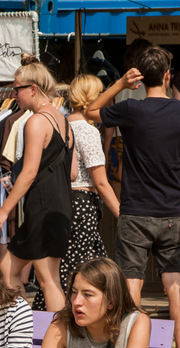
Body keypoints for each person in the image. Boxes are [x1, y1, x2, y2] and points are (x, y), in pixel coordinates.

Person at [86, 45, 180, 348]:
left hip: (134, 211)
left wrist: (120, 85)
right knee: (175, 282)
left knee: (131, 284)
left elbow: (91, 110)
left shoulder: (131, 110)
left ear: (140, 77)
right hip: (172, 212)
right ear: (168, 76)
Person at [0, 55, 76, 312]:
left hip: (44, 208)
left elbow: (28, 172)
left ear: (33, 90)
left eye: (16, 89)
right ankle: (23, 327)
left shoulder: (36, 122)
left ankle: (56, 340)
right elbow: (71, 173)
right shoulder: (63, 122)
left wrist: (4, 211)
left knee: (48, 280)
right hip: (58, 206)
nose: (13, 95)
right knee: (8, 269)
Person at [62, 74, 117, 288]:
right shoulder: (88, 131)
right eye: (101, 93)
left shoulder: (62, 126)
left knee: (68, 269)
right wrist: (121, 214)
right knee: (80, 274)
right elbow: (100, 182)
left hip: (64, 202)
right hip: (82, 205)